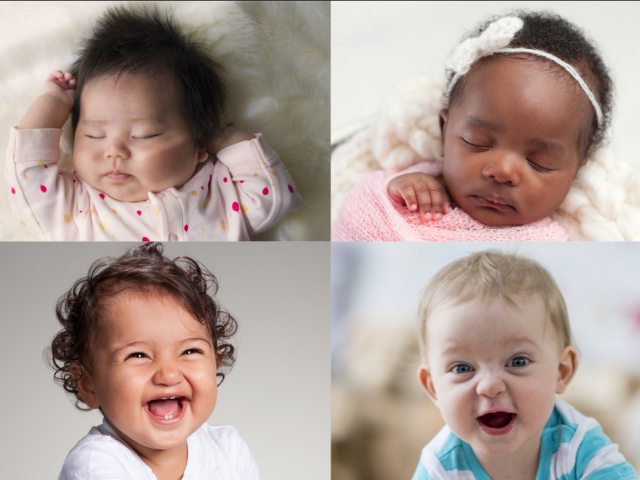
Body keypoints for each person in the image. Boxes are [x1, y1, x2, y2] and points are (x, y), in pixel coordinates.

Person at [6, 4, 300, 241]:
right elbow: (28, 177)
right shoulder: (78, 207)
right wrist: (53, 104)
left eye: (144, 135)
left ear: (197, 142)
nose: (114, 152)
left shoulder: (218, 190)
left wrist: (226, 141)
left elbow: (275, 198)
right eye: (94, 135)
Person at [332, 11, 613, 241]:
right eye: (477, 142)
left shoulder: (556, 242)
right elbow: (361, 215)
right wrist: (402, 191)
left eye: (539, 162)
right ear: (444, 133)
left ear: (577, 170)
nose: (502, 171)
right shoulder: (413, 184)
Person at [412, 251, 638, 479]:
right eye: (462, 368)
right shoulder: (438, 467)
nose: (489, 386)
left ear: (561, 371)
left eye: (517, 362)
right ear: (432, 388)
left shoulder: (580, 447)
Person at [48, 242, 261, 479]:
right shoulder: (95, 465)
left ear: (215, 364)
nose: (169, 374)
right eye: (138, 355)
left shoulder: (229, 451)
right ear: (88, 383)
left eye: (189, 351)